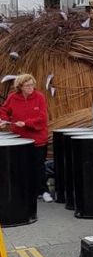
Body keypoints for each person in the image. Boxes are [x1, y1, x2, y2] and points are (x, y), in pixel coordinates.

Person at [0, 74, 53, 202]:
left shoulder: (39, 97)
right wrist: (4, 121)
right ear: (20, 87)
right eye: (27, 85)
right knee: (22, 166)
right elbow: (3, 110)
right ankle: (27, 192)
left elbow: (42, 117)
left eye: (32, 85)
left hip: (38, 139)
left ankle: (44, 191)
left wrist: (26, 123)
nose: (30, 87)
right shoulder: (12, 97)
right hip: (19, 139)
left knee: (39, 166)